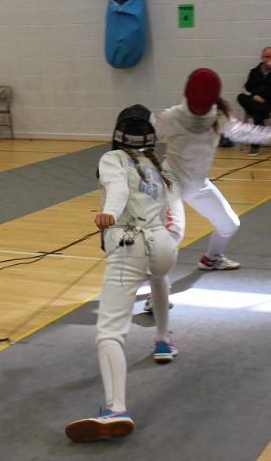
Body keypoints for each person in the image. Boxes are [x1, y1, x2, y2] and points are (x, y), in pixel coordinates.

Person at [65, 105, 178, 443]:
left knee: (110, 333)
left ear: (117, 134)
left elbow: (118, 189)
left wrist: (108, 213)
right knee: (158, 277)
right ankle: (163, 340)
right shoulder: (160, 165)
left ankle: (116, 409)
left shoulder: (112, 160)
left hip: (130, 245)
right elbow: (172, 207)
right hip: (164, 248)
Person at [143, 68, 271, 313]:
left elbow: (247, 132)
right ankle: (156, 293)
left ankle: (211, 259)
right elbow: (149, 139)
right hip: (172, 182)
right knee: (173, 235)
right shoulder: (171, 116)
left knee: (230, 224)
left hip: (198, 184)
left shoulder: (219, 118)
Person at [237, 47, 271, 156]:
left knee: (257, 113)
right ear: (262, 57)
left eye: (270, 57)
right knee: (241, 97)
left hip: (268, 102)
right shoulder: (254, 72)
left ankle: (255, 146)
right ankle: (263, 110)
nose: (268, 59)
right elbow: (246, 89)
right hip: (255, 102)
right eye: (266, 57)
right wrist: (254, 96)